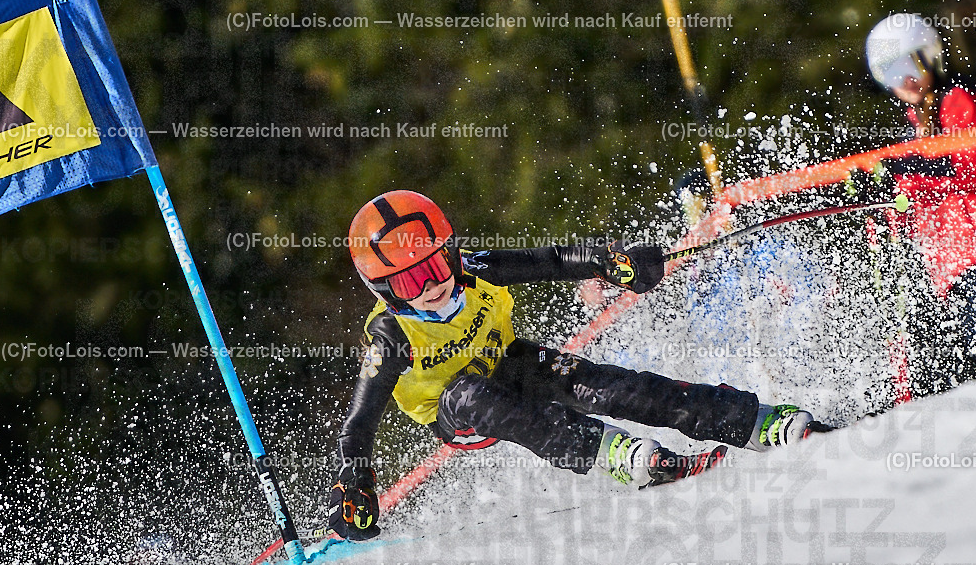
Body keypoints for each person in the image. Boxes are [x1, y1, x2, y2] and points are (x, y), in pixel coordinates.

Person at [328, 190, 816, 540]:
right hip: (462, 414)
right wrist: (354, 485)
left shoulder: (476, 270)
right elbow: (359, 425)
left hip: (511, 364)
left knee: (607, 385)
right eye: (412, 282)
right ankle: (614, 455)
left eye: (436, 267)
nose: (433, 286)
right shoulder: (390, 335)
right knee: (469, 392)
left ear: (452, 254)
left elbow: (556, 259)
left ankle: (752, 422)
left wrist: (613, 262)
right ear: (386, 291)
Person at [853, 14, 976, 376]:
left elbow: (973, 167)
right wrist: (882, 199)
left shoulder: (958, 103)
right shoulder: (916, 129)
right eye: (889, 73)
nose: (903, 80)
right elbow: (912, 199)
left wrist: (906, 170)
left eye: (907, 64)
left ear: (930, 56)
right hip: (955, 269)